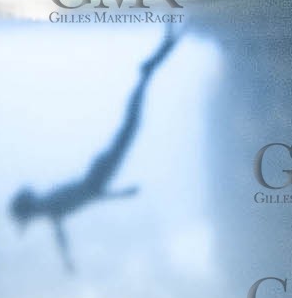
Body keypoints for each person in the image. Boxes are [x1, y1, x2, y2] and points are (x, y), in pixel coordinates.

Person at [9, 27, 181, 272]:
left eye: (27, 218)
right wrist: (120, 194)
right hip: (101, 173)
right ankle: (151, 66)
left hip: (101, 173)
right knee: (131, 125)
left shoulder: (52, 207)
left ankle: (147, 72)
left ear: (30, 211)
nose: (31, 221)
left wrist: (121, 195)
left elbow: (89, 194)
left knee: (131, 124)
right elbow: (74, 217)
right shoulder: (51, 208)